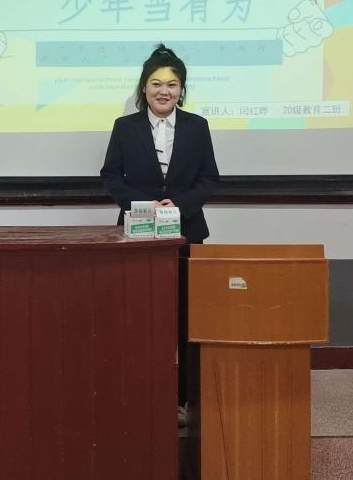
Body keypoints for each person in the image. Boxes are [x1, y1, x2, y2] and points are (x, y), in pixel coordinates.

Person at [100, 43, 220, 422]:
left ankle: (183, 399)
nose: (163, 91)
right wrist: (144, 204)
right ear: (144, 87)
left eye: (171, 84)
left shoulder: (197, 126)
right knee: (139, 316)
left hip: (187, 234)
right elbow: (110, 177)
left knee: (185, 318)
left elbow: (209, 179)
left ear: (181, 89)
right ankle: (139, 397)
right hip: (137, 235)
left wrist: (179, 205)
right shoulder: (125, 127)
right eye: (156, 83)